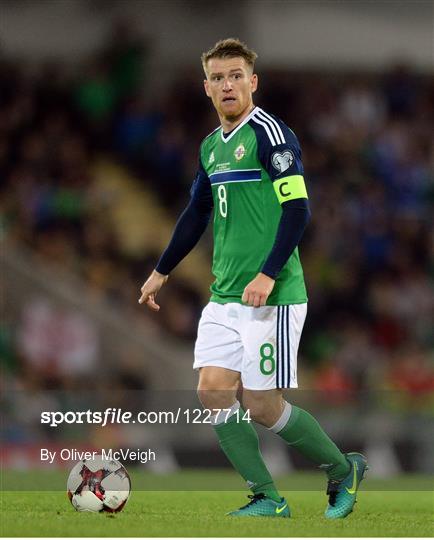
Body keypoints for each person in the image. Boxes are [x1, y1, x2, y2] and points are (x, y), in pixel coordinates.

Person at [139, 38, 367, 519]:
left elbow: (299, 209)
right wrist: (161, 270)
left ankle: (341, 469)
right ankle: (267, 496)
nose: (227, 84)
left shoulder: (272, 135)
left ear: (252, 82)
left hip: (273, 295)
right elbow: (196, 212)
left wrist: (267, 273)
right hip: (225, 295)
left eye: (236, 75)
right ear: (206, 88)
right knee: (212, 390)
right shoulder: (209, 147)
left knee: (262, 406)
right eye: (218, 77)